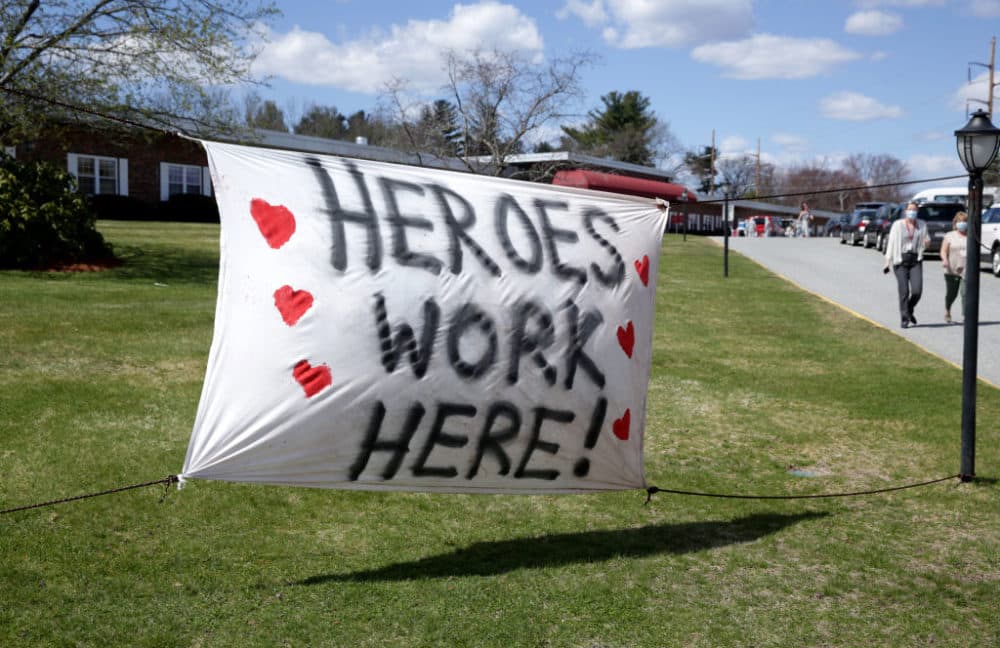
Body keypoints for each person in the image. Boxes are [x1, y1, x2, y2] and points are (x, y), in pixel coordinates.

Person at [883, 202, 930, 328]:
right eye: (910, 210)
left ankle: (909, 309)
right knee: (904, 291)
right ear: (905, 211)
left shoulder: (922, 225)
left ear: (917, 211)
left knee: (917, 291)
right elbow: (891, 243)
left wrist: (927, 242)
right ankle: (904, 318)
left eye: (914, 210)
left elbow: (926, 240)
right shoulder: (898, 225)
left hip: (915, 260)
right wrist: (887, 262)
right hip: (900, 261)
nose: (912, 212)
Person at [940, 211, 969, 324]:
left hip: (966, 269)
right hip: (951, 269)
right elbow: (943, 251)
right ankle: (948, 309)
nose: (962, 223)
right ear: (955, 222)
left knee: (965, 293)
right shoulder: (949, 236)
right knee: (952, 294)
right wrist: (945, 260)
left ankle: (965, 315)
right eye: (960, 221)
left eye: (965, 221)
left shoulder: (971, 236)